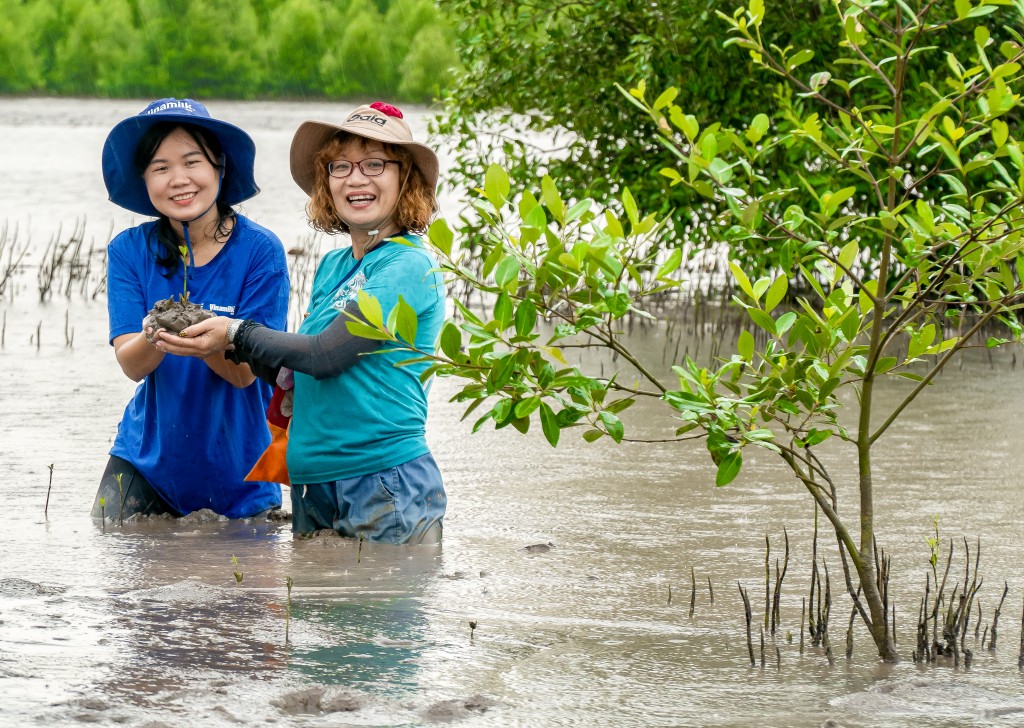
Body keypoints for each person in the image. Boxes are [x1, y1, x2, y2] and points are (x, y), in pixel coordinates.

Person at [156, 102, 447, 545]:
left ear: (405, 178)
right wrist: (215, 342)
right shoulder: (333, 265)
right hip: (314, 479)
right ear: (326, 182)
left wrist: (235, 332)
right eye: (340, 166)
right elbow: (296, 374)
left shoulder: (407, 264)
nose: (356, 178)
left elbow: (328, 355)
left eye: (374, 164)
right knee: (312, 614)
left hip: (383, 479)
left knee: (379, 613)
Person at [92, 98, 290, 521]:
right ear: (144, 179)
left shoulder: (261, 251)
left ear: (218, 165)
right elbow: (132, 364)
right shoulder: (128, 250)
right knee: (113, 570)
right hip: (144, 462)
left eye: (191, 162)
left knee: (243, 587)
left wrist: (202, 333)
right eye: (160, 168)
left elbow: (242, 374)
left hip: (243, 471)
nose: (178, 180)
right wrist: (156, 332)